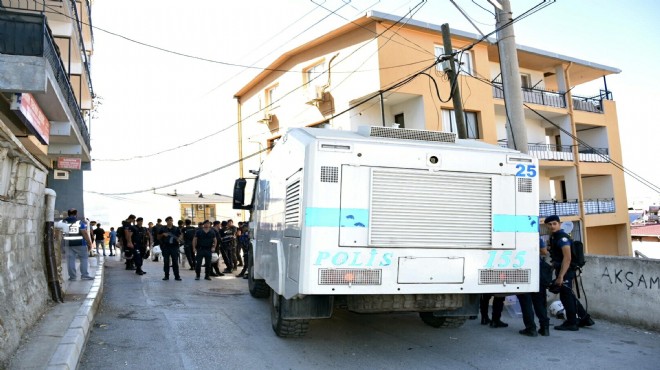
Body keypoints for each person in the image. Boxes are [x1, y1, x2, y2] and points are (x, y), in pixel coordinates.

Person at [545, 215, 594, 331]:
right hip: (563, 270)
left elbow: (567, 258)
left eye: (554, 223)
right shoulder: (554, 237)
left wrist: (561, 276)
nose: (552, 226)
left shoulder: (562, 238)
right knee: (569, 295)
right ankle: (585, 318)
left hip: (566, 271)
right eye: (550, 224)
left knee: (566, 297)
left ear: (559, 224)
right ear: (547, 226)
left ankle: (572, 323)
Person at [517, 237, 550, 337]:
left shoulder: (516, 236)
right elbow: (544, 252)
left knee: (525, 301)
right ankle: (545, 328)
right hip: (536, 269)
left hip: (521, 269)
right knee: (539, 301)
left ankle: (531, 328)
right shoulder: (536, 236)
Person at [62, 209, 94, 280]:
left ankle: (72, 277)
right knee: (83, 259)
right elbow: (84, 233)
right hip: (80, 244)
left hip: (68, 244)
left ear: (68, 214)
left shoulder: (63, 222)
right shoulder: (79, 222)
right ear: (76, 214)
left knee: (70, 260)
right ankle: (84, 275)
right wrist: (89, 243)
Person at [158, 216, 182, 281]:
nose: (170, 221)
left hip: (174, 247)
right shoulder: (163, 228)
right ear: (166, 221)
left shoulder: (176, 228)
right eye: (169, 220)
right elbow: (158, 237)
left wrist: (179, 239)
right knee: (166, 262)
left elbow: (180, 235)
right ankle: (166, 275)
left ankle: (177, 276)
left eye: (171, 220)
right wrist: (163, 234)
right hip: (166, 247)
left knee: (175, 262)